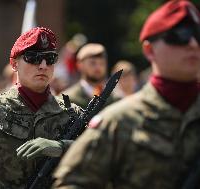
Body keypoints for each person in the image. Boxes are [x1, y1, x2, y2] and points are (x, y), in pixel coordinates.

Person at [53, 1, 200, 188]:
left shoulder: (116, 106)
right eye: (180, 35)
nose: (193, 44)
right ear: (149, 50)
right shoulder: (118, 122)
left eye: (197, 35)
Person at [0, 27, 82, 189]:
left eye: (50, 58)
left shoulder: (72, 113)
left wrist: (62, 147)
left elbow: (98, 159)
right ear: (14, 64)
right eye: (33, 58)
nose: (43, 65)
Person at [62, 43, 118, 109]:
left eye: (102, 63)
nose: (98, 67)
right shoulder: (67, 100)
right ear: (79, 65)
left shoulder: (115, 99)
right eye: (92, 63)